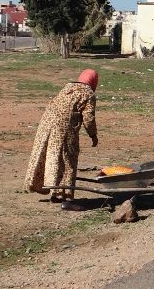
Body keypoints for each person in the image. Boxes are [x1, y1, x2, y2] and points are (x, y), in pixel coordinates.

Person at [25, 69, 99, 211]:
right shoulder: (88, 93)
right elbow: (89, 118)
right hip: (64, 127)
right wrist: (93, 135)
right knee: (68, 160)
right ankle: (66, 199)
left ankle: (55, 192)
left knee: (52, 156)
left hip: (47, 123)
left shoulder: (68, 86)